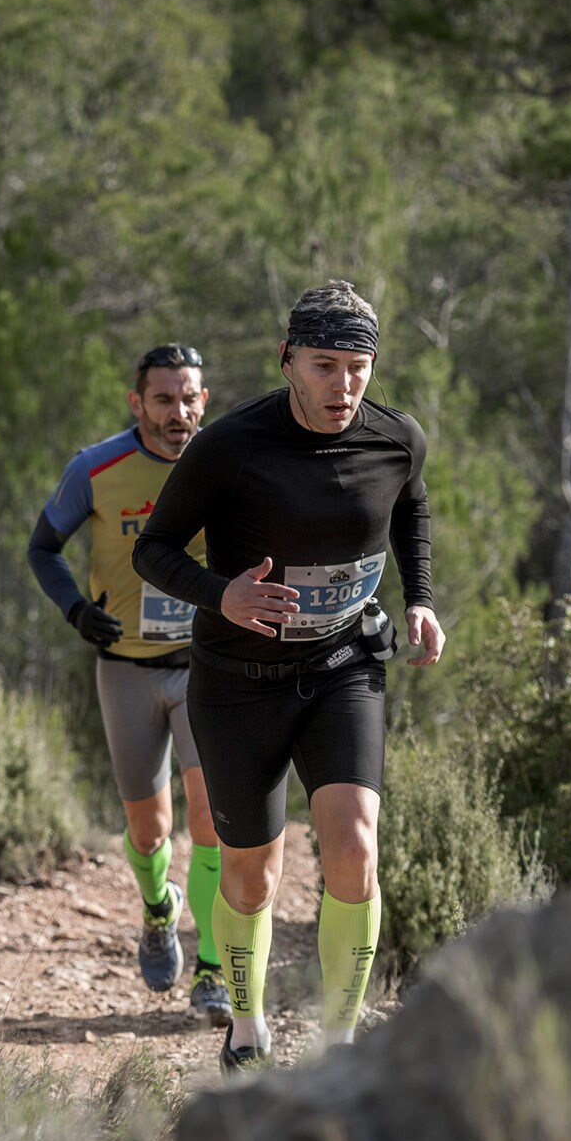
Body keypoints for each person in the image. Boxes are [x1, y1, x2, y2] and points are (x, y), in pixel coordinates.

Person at [133, 282, 445, 1073]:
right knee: (251, 874)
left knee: (354, 847)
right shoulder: (232, 445)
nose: (343, 386)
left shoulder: (395, 437)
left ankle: (341, 1046)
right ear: (289, 361)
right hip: (239, 680)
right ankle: (247, 1026)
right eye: (325, 366)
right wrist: (223, 594)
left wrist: (421, 600)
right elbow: (155, 548)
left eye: (358, 367)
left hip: (343, 664)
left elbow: (411, 509)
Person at [28, 344, 232, 1025]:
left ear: (206, 399)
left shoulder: (227, 463)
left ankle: (211, 966)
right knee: (150, 830)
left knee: (210, 820)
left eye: (191, 397)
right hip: (126, 670)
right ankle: (158, 908)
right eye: (165, 399)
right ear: (137, 402)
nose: (180, 412)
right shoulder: (95, 468)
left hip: (205, 665)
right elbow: (42, 547)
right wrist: (76, 609)